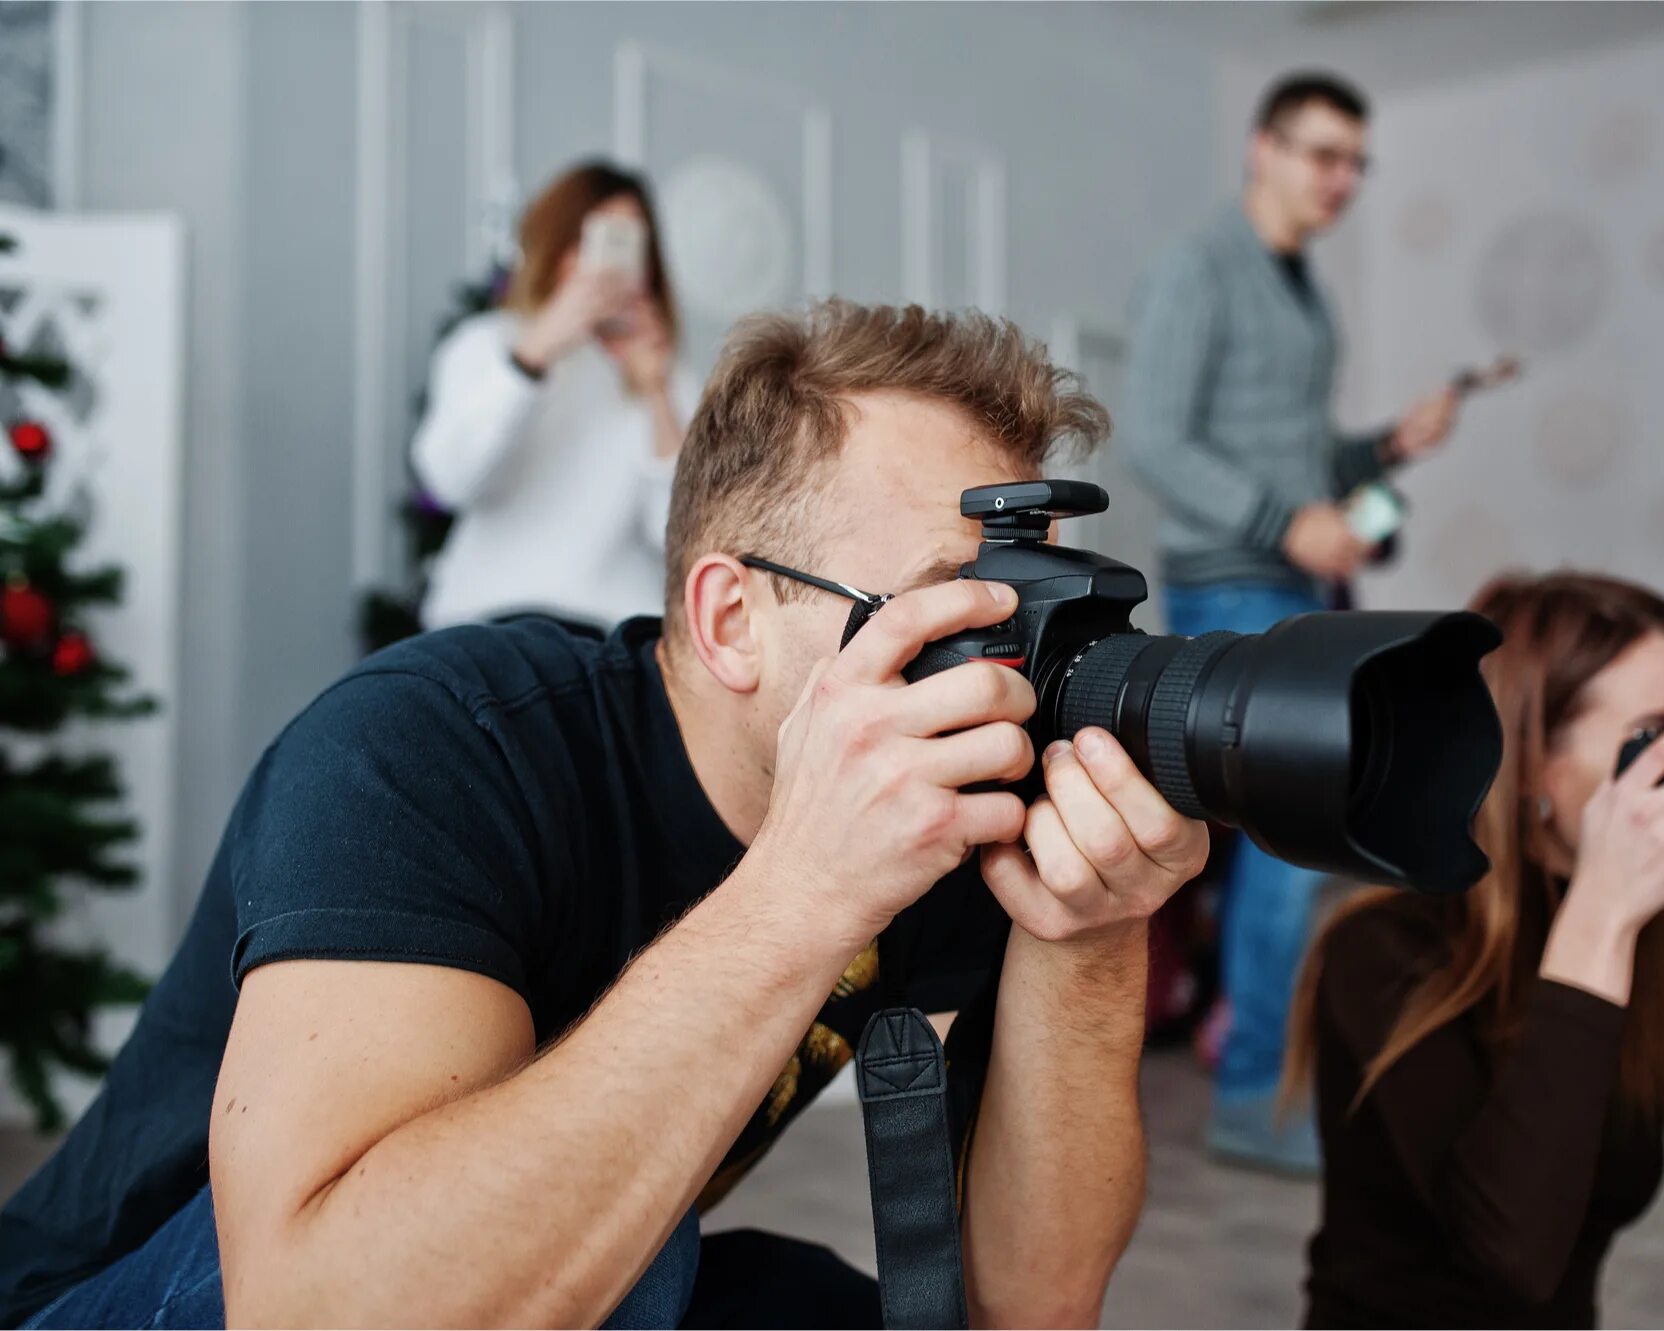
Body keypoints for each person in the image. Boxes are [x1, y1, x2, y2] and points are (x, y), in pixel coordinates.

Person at [0, 301, 1213, 1329]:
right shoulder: (439, 742)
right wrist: (804, 890)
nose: (1009, 663)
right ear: (732, 616)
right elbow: (313, 1297)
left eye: (1033, 610)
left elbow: (1027, 1306)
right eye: (958, 606)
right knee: (623, 1257)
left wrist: (1090, 936)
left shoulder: (952, 795)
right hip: (138, 1293)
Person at [1288, 572, 1664, 1328]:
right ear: (1529, 768)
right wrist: (1600, 923)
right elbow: (1513, 1254)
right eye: (1660, 738)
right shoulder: (1383, 950)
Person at [1119, 70, 1466, 1173]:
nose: (1342, 181)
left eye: (1356, 163)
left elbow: (1297, 455)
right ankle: (1255, 1092)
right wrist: (1287, 521)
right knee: (1286, 848)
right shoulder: (1197, 269)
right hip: (1232, 583)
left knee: (1301, 846)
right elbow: (1155, 438)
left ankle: (1265, 1076)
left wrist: (1384, 450)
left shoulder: (1300, 286)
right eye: (1323, 155)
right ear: (1261, 149)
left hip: (1290, 583)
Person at [413, 160, 702, 631]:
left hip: (610, 630)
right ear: (560, 248)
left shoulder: (667, 378)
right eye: (602, 241)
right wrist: (537, 351)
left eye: (631, 245)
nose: (614, 265)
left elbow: (680, 532)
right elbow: (452, 480)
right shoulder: (489, 343)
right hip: (484, 622)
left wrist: (656, 391)